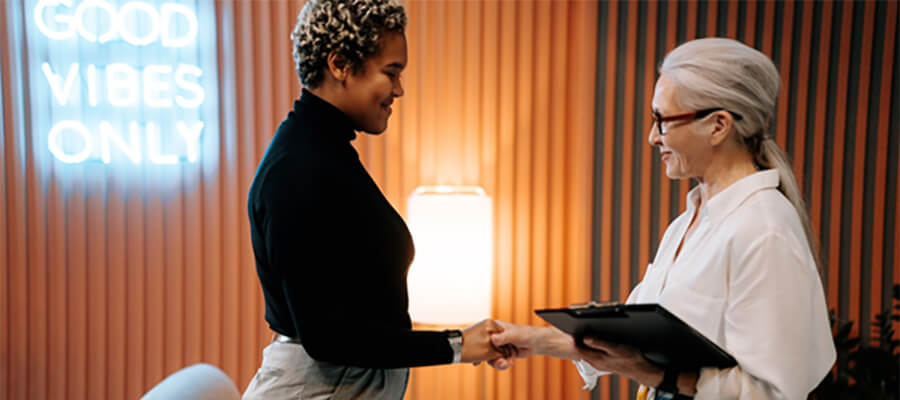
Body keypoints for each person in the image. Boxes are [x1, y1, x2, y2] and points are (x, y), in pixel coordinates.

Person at [488, 38, 836, 400]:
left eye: (663, 120)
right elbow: (633, 340)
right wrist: (534, 339)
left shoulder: (764, 230)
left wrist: (653, 374)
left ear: (718, 125)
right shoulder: (689, 222)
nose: (653, 137)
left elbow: (773, 394)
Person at [243, 1, 505, 399]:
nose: (399, 89)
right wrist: (456, 345)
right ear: (340, 64)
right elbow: (328, 336)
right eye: (391, 72)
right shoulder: (296, 169)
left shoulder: (325, 153)